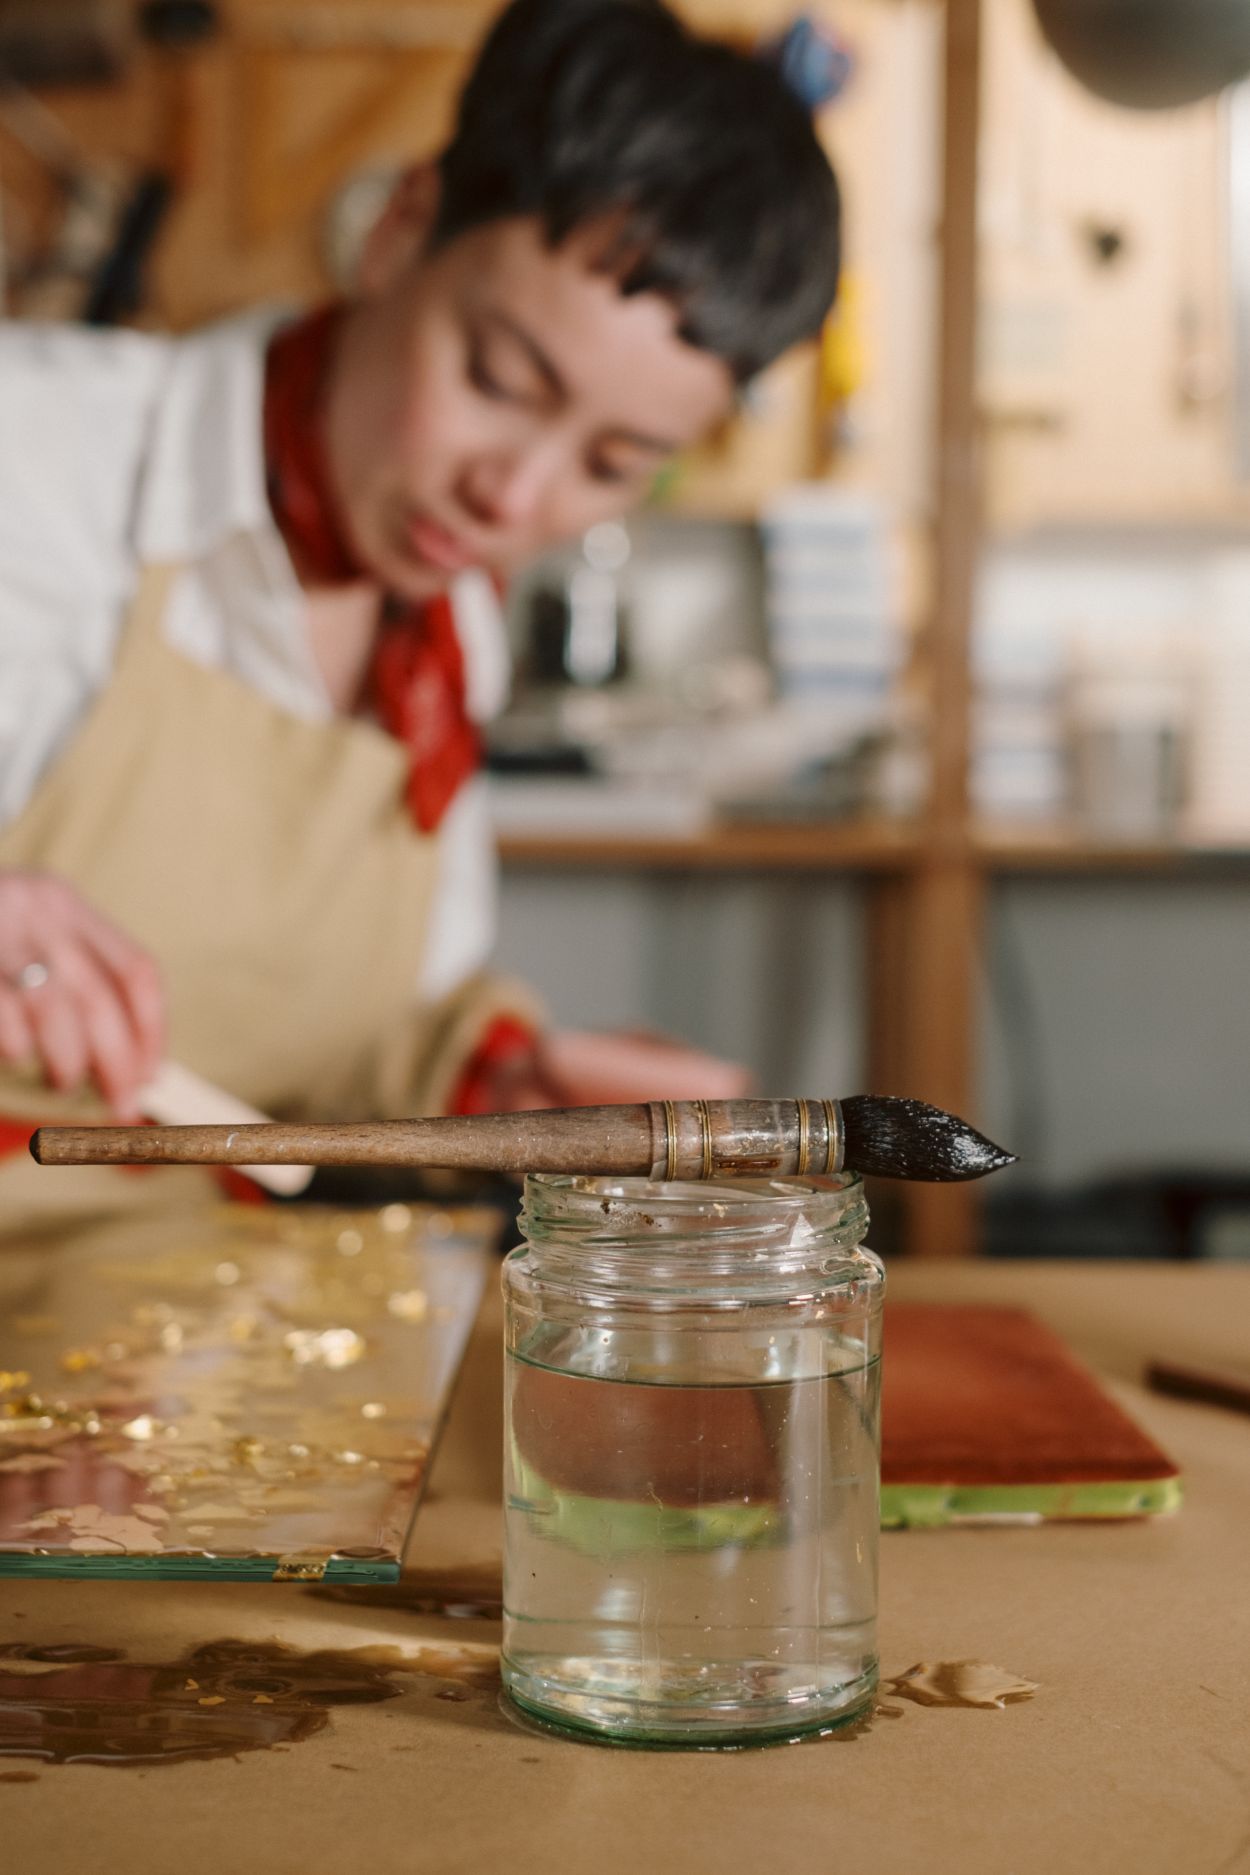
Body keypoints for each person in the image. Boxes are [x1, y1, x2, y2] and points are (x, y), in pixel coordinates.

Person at [0, 0, 841, 1221]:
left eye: (609, 463)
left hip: (147, 1354)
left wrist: (506, 1087)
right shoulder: (40, 457)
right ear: (399, 229)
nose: (511, 493)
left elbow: (343, 1046)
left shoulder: (447, 644)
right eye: (499, 377)